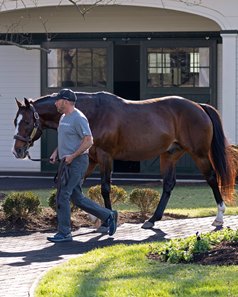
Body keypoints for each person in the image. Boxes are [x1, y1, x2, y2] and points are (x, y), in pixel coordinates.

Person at [47, 88, 117, 243]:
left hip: (77, 162)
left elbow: (89, 141)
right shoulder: (63, 117)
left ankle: (65, 232)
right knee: (77, 198)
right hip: (66, 162)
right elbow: (66, 139)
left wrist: (72, 156)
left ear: (65, 101)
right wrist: (56, 152)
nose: (55, 103)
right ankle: (108, 215)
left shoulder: (79, 118)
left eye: (57, 100)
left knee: (63, 195)